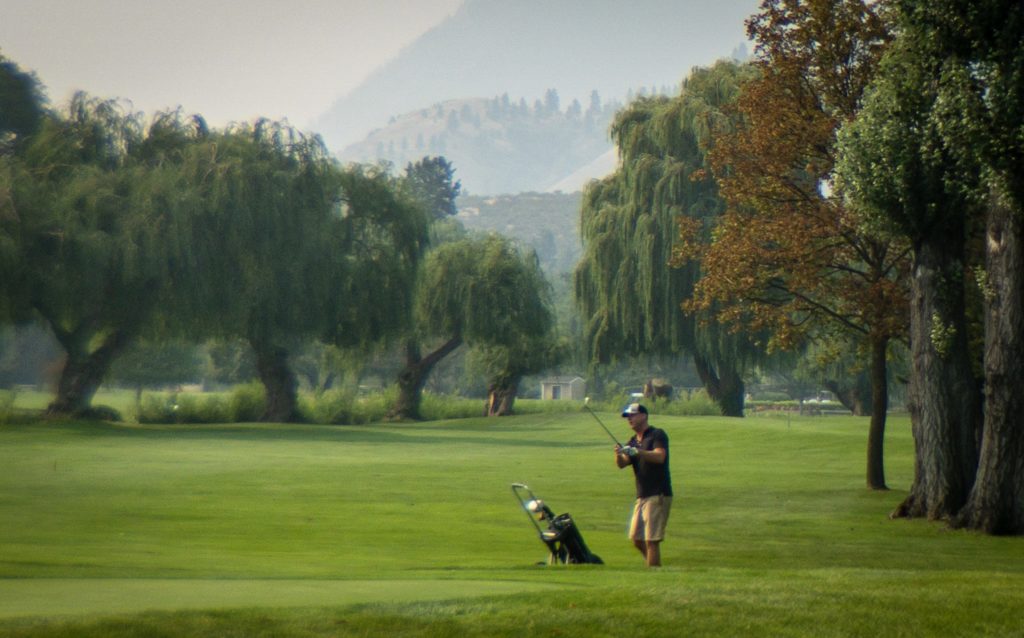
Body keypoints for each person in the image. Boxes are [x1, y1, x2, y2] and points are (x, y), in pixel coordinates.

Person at [615, 402, 672, 567]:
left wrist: (638, 452)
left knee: (651, 540)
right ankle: (656, 569)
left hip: (658, 493)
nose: (629, 419)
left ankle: (654, 572)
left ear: (644, 416)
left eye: (632, 415)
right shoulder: (633, 441)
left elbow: (660, 456)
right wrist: (619, 454)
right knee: (636, 539)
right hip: (642, 495)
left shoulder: (656, 434)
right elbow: (622, 464)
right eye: (628, 416)